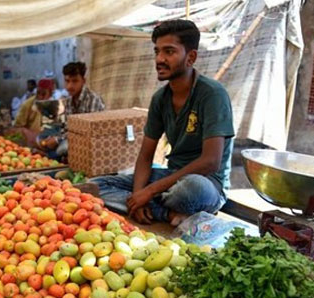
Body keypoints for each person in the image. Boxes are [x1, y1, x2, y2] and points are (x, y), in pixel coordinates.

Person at [92, 20, 234, 226]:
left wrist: (149, 191)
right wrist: (139, 196)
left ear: (190, 57)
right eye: (157, 51)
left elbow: (210, 161)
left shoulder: (212, 94)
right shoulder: (160, 98)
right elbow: (145, 155)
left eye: (169, 52)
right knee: (96, 185)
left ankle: (156, 205)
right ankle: (168, 214)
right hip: (171, 177)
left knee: (189, 189)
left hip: (207, 184)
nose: (159, 59)